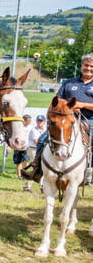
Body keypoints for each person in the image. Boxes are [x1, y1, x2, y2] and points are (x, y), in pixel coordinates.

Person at [23, 53, 93, 182]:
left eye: (91, 66)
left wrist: (82, 105)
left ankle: (89, 172)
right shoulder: (69, 83)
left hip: (88, 121)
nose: (88, 68)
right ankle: (36, 169)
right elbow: (56, 101)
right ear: (82, 66)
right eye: (86, 65)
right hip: (65, 120)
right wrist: (68, 107)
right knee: (43, 138)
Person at [23, 114, 46, 192]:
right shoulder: (34, 130)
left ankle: (42, 186)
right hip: (33, 149)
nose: (39, 122)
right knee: (36, 167)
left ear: (44, 122)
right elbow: (36, 142)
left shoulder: (45, 130)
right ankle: (27, 187)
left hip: (41, 150)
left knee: (42, 167)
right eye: (38, 121)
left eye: (41, 121)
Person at [13, 114, 32, 178]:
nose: (30, 122)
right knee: (18, 161)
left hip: (26, 146)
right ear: (24, 120)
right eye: (29, 121)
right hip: (17, 146)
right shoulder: (18, 127)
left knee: (26, 160)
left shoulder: (30, 127)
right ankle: (19, 175)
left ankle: (24, 173)